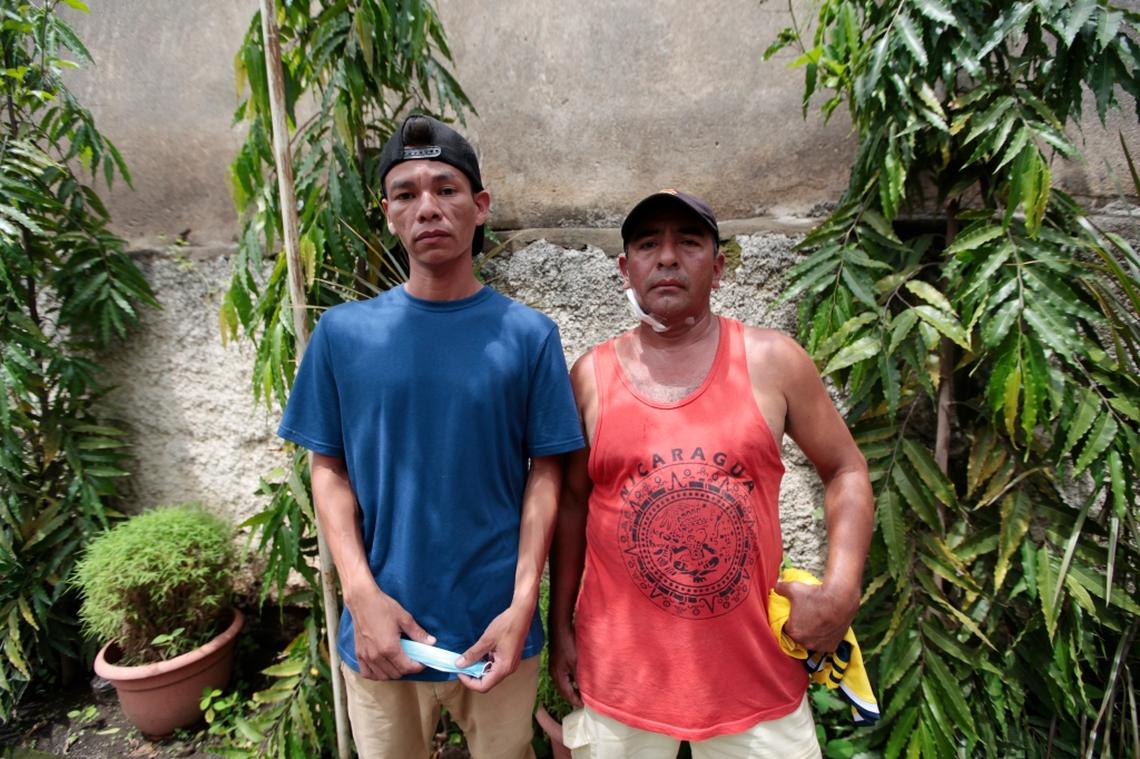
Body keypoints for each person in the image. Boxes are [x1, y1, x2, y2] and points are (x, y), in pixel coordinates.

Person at [278, 114, 585, 759]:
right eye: (406, 193)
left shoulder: (529, 336)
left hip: (497, 630)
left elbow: (547, 475)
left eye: (445, 189)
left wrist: (524, 604)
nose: (428, 208)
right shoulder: (343, 334)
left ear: (479, 207)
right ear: (387, 214)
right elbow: (327, 470)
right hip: (381, 631)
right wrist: (361, 598)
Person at [548, 190, 874, 758]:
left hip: (754, 678)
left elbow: (845, 470)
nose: (668, 258)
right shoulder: (590, 377)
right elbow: (572, 506)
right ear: (625, 269)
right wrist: (561, 628)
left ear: (718, 267)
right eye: (648, 245)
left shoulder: (773, 361)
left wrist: (842, 591)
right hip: (622, 678)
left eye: (689, 243)